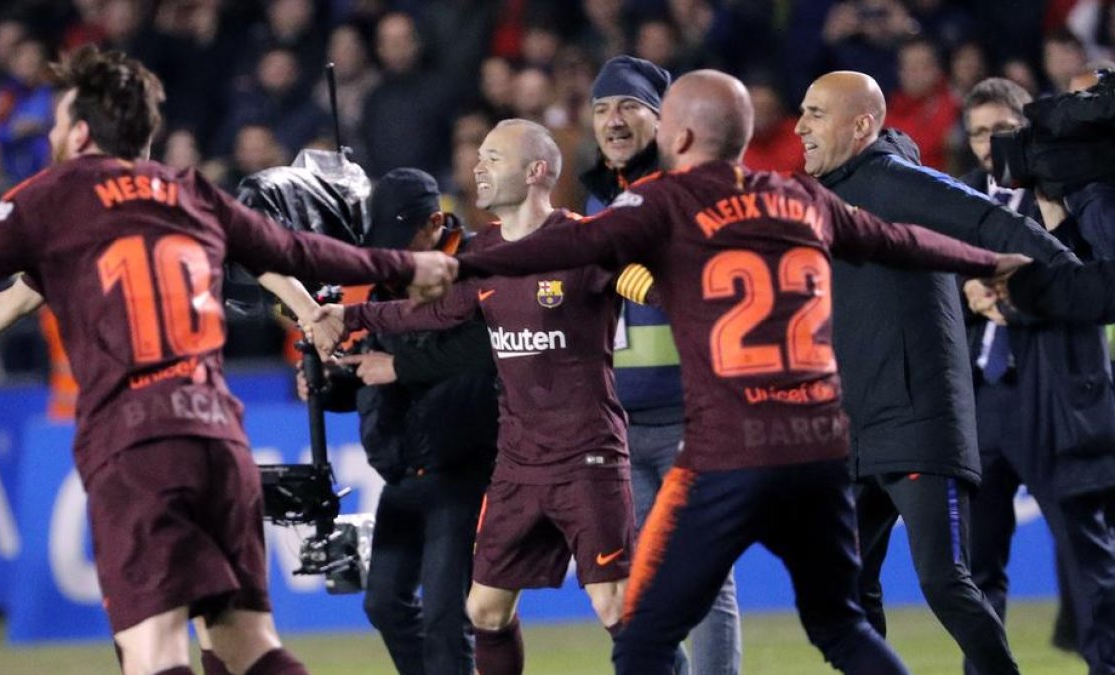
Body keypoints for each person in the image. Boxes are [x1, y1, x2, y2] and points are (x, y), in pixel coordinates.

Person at [446, 68, 1031, 675]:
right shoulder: (797, 196)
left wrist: (460, 270)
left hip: (729, 450)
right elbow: (900, 241)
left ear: (680, 135)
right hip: (819, 448)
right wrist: (991, 261)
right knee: (841, 624)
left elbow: (563, 247)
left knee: (645, 633)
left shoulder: (663, 201)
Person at [0, 46, 455, 675]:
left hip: (136, 439)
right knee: (248, 644)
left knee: (150, 652)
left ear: (83, 132)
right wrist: (402, 267)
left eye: (62, 122)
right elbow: (288, 250)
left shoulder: (57, 200)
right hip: (219, 435)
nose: (54, 134)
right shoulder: (189, 194)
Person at [308, 119, 637, 675]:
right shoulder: (483, 252)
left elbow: (651, 274)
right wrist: (351, 315)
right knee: (484, 610)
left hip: (588, 458)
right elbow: (431, 312)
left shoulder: (585, 242)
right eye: (478, 157)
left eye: (492, 158)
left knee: (615, 604)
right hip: (517, 466)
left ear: (536, 172)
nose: (477, 168)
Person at [794, 70, 1078, 675]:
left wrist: (1069, 274)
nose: (800, 127)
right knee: (846, 594)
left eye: (816, 114)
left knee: (945, 582)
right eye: (802, 112)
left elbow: (995, 223)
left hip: (919, 422)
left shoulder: (899, 183)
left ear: (862, 125)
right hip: (850, 429)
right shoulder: (818, 200)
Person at [579, 54, 740, 675]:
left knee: (703, 579)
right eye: (600, 109)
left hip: (689, 417)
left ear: (663, 119)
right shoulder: (601, 200)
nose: (612, 121)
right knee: (649, 584)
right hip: (623, 423)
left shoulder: (689, 191)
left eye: (627, 107)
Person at [957, 77, 1115, 674]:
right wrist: (965, 288)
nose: (988, 144)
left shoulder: (1071, 192)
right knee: (976, 568)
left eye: (1001, 130)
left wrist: (1026, 295)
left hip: (1055, 399)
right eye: (977, 133)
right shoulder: (956, 200)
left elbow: (1095, 281)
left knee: (1085, 556)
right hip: (981, 399)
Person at [321, 168, 499, 675]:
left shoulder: (477, 272)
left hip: (463, 464)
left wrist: (397, 366)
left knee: (447, 615)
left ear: (436, 224)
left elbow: (482, 356)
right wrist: (333, 386)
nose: (395, 253)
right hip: (405, 467)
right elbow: (379, 377)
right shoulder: (386, 288)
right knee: (384, 603)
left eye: (404, 240)